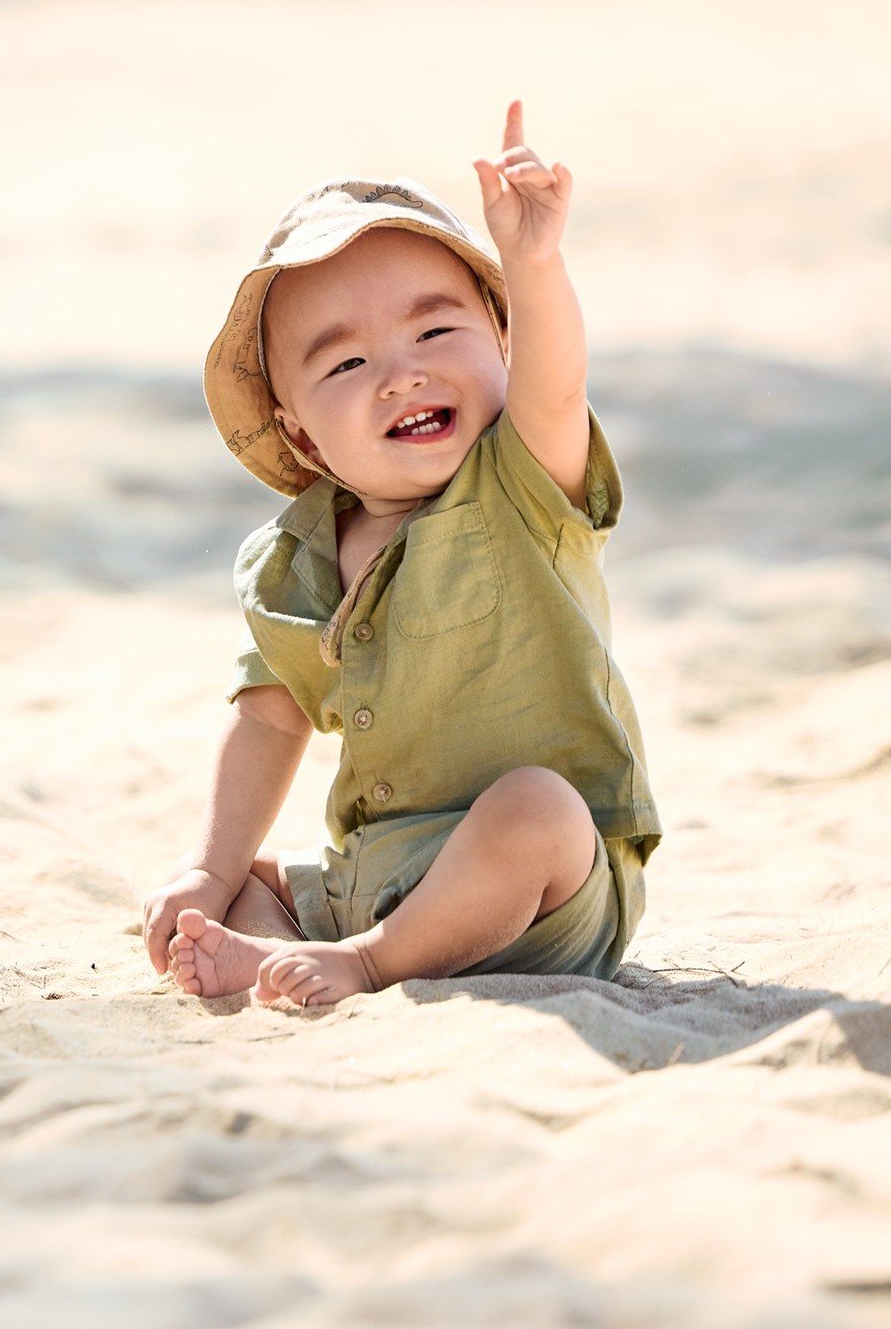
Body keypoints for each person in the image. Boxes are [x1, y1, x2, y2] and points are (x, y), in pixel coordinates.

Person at [143, 103, 658, 1008]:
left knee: (538, 808)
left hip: (537, 893)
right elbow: (268, 722)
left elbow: (558, 380)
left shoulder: (524, 482)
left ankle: (374, 964)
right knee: (244, 875)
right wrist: (205, 869)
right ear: (301, 438)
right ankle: (277, 953)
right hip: (373, 876)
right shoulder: (297, 562)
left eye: (435, 332)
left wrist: (533, 263)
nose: (401, 373)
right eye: (345, 365)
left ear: (501, 344)